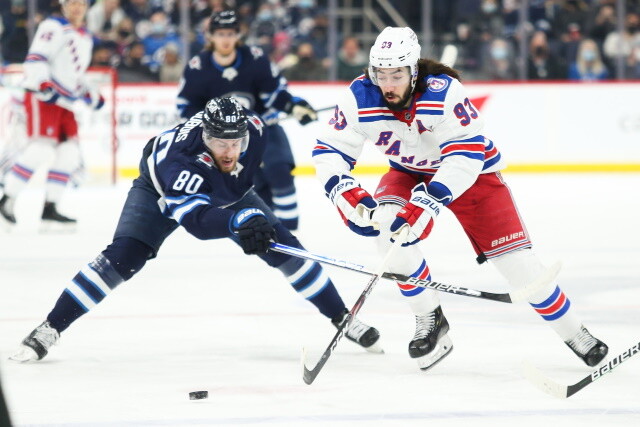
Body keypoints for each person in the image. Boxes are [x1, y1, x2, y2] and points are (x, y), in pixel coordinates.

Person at [312, 26, 609, 371]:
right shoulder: (360, 95)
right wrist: (344, 192)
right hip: (408, 172)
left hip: (473, 177)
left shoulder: (444, 92)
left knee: (522, 270)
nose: (387, 84)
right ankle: (430, 321)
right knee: (387, 228)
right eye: (381, 74)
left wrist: (431, 201)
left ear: (413, 71)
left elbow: (465, 156)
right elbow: (329, 149)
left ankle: (577, 334)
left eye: (396, 75)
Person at [9, 97, 380, 363]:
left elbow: (264, 115)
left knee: (283, 245)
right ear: (205, 136)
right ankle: (50, 327)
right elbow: (197, 223)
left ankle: (343, 318)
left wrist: (290, 102)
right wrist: (237, 222)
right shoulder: (181, 162)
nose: (230, 149)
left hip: (226, 189)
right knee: (124, 257)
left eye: (236, 142)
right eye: (221, 142)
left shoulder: (254, 129)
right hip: (160, 188)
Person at [177, 9, 318, 231]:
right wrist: (205, 129)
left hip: (262, 128)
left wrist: (294, 105)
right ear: (211, 36)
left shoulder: (255, 58)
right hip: (224, 140)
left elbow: (274, 93)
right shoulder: (198, 67)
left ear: (238, 35)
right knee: (252, 187)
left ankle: (291, 231)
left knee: (280, 171)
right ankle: (266, 229)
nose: (226, 39)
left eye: (231, 33)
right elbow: (186, 106)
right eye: (221, 34)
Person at [0, 0, 105, 229]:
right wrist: (43, 84)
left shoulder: (85, 36)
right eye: (72, 2)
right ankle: (6, 200)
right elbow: (36, 59)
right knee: (40, 148)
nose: (77, 7)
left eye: (81, 3)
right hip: (43, 98)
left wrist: (92, 94)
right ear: (63, 5)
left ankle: (50, 208)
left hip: (65, 102)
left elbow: (77, 75)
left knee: (69, 154)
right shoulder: (53, 26)